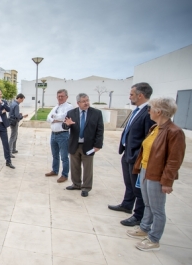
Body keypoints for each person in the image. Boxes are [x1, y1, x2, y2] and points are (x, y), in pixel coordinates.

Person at [126, 97, 186, 251]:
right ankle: (144, 228)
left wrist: (167, 181)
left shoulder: (175, 132)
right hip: (146, 170)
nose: (148, 111)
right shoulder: (155, 128)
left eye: (150, 108)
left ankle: (154, 239)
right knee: (147, 204)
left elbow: (174, 160)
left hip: (157, 174)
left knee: (157, 209)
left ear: (158, 111)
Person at [108, 83, 155, 226]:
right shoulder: (136, 111)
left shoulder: (148, 113)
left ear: (140, 95)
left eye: (131, 94)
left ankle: (138, 216)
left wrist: (137, 155)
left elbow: (149, 137)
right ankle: (127, 205)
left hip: (136, 156)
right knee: (129, 183)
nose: (129, 97)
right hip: (127, 153)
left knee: (138, 187)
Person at [62, 93, 104, 197]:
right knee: (75, 166)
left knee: (87, 168)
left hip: (89, 145)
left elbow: (100, 130)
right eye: (84, 101)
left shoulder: (96, 113)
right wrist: (67, 125)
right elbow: (64, 125)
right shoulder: (71, 113)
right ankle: (76, 184)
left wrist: (98, 145)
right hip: (74, 144)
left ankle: (86, 187)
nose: (86, 103)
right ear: (78, 103)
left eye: (87, 100)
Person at [45, 89, 74, 183]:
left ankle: (64, 175)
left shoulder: (69, 107)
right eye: (59, 96)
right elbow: (48, 118)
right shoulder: (55, 107)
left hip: (63, 135)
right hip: (53, 134)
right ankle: (55, 170)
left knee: (64, 156)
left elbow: (64, 117)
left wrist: (55, 117)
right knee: (55, 155)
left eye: (62, 96)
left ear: (66, 97)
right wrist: (55, 118)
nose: (60, 98)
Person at [8, 93, 28, 158]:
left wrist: (19, 114)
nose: (22, 101)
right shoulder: (16, 105)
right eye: (22, 100)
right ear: (19, 98)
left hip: (11, 121)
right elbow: (17, 116)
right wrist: (22, 116)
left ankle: (13, 149)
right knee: (13, 136)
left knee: (15, 136)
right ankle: (9, 152)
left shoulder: (12, 103)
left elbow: (12, 113)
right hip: (14, 122)